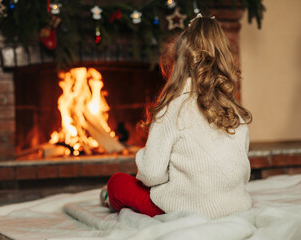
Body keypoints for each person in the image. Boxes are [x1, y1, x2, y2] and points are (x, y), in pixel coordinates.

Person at [100, 13, 253, 219]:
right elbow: (243, 172)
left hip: (188, 208)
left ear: (177, 65)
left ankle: (108, 195)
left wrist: (147, 162)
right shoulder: (235, 111)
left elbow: (151, 175)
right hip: (236, 204)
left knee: (118, 183)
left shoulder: (172, 107)